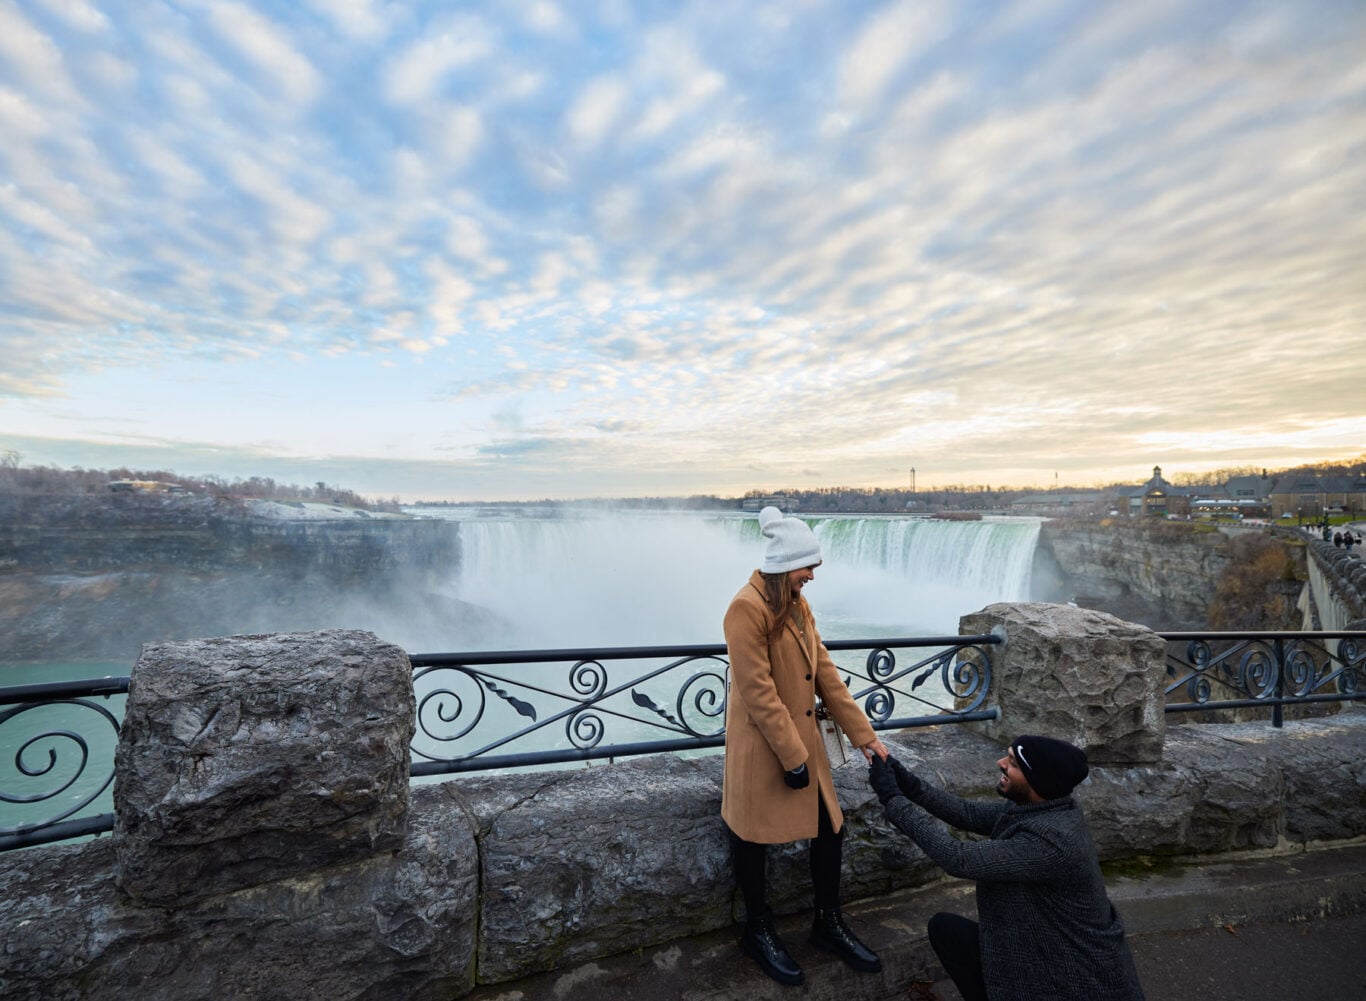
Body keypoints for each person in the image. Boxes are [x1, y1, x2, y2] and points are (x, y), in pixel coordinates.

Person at [722, 506, 890, 987]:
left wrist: (865, 736)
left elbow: (826, 674)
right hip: (763, 748)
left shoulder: (796, 605)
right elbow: (757, 690)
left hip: (800, 741)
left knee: (829, 829)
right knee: (752, 839)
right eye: (806, 568)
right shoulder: (745, 608)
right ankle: (758, 930)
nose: (812, 576)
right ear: (783, 566)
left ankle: (827, 923)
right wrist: (794, 757)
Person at [867, 736, 1145, 1001]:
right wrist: (909, 785)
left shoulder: (1053, 841)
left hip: (1072, 978)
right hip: (1040, 948)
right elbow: (969, 814)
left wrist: (892, 798)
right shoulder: (1045, 807)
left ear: (1038, 780)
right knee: (947, 931)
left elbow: (958, 858)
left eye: (1013, 762)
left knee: (951, 934)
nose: (1001, 762)